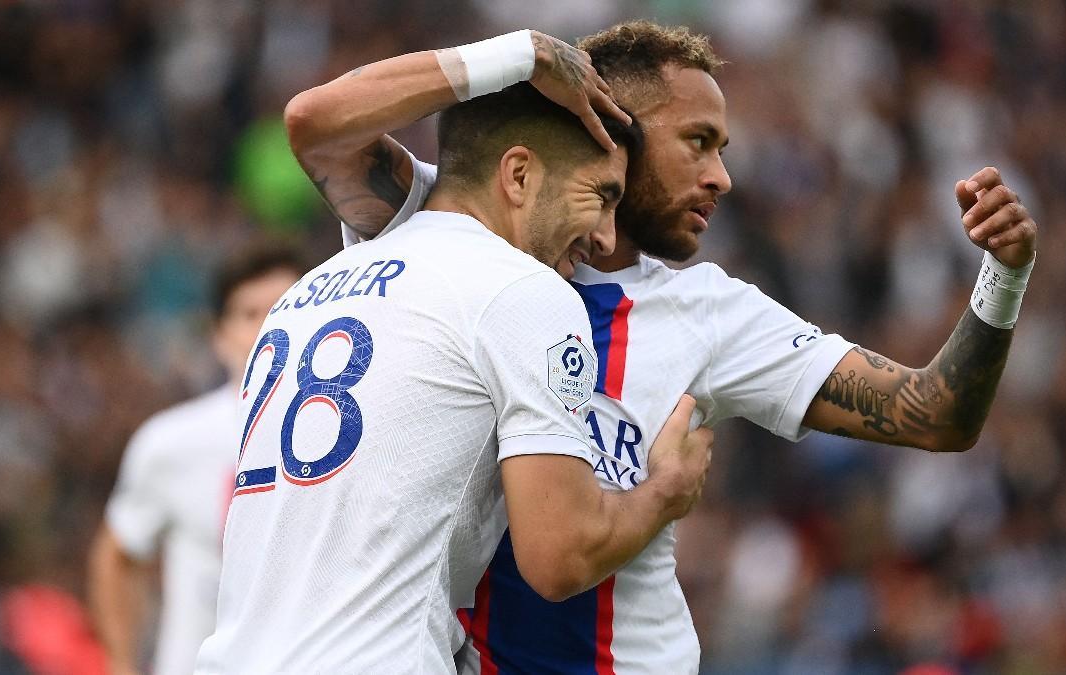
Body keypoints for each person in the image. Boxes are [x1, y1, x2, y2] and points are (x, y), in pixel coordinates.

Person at [284, 21, 1039, 674]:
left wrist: (1003, 277)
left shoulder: (709, 313)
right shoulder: (455, 221)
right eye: (698, 143)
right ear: (610, 131)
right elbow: (319, 122)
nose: (723, 177)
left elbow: (936, 413)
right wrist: (517, 56)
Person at [195, 80, 712, 674]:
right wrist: (664, 493)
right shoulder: (524, 290)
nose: (605, 238)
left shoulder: (307, 290)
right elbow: (560, 556)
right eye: (599, 195)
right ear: (518, 176)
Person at [87, 246, 308, 675]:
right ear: (218, 335)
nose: (269, 326)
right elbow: (116, 553)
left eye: (285, 306)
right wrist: (121, 664)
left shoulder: (345, 435)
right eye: (249, 314)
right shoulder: (171, 442)